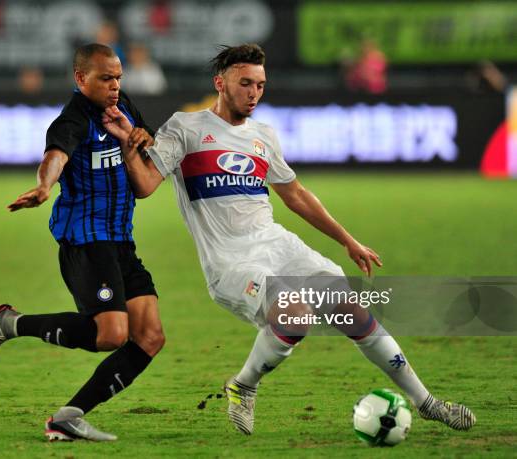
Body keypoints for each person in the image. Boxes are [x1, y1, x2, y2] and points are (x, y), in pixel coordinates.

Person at [102, 44, 476, 435]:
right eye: (245, 83)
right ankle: (244, 385)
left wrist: (348, 241)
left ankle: (428, 403)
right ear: (220, 83)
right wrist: (129, 149)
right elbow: (144, 185)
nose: (254, 93)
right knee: (295, 315)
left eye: (260, 85)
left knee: (355, 312)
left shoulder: (264, 136)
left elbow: (294, 194)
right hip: (231, 263)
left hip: (279, 246)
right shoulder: (186, 128)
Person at [0, 44, 164, 442]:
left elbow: (147, 154)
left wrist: (141, 138)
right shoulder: (71, 119)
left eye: (118, 78)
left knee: (150, 336)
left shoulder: (121, 105)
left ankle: (67, 417)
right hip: (86, 240)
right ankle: (12, 324)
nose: (114, 86)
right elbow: (56, 155)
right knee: (111, 334)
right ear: (80, 79)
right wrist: (44, 185)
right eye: (105, 79)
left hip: (121, 239)